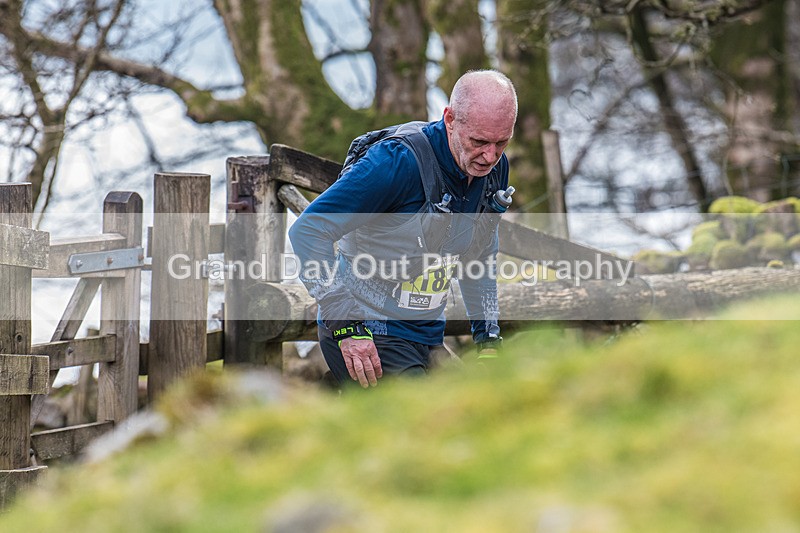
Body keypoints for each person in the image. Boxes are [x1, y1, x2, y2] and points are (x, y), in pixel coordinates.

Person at [288, 69, 517, 388]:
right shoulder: (396, 162)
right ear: (450, 119)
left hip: (427, 336)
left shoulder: (494, 171)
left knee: (480, 413)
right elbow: (309, 231)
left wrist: (488, 340)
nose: (490, 156)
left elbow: (480, 254)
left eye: (501, 142)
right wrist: (348, 326)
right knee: (430, 426)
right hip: (369, 331)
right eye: (478, 141)